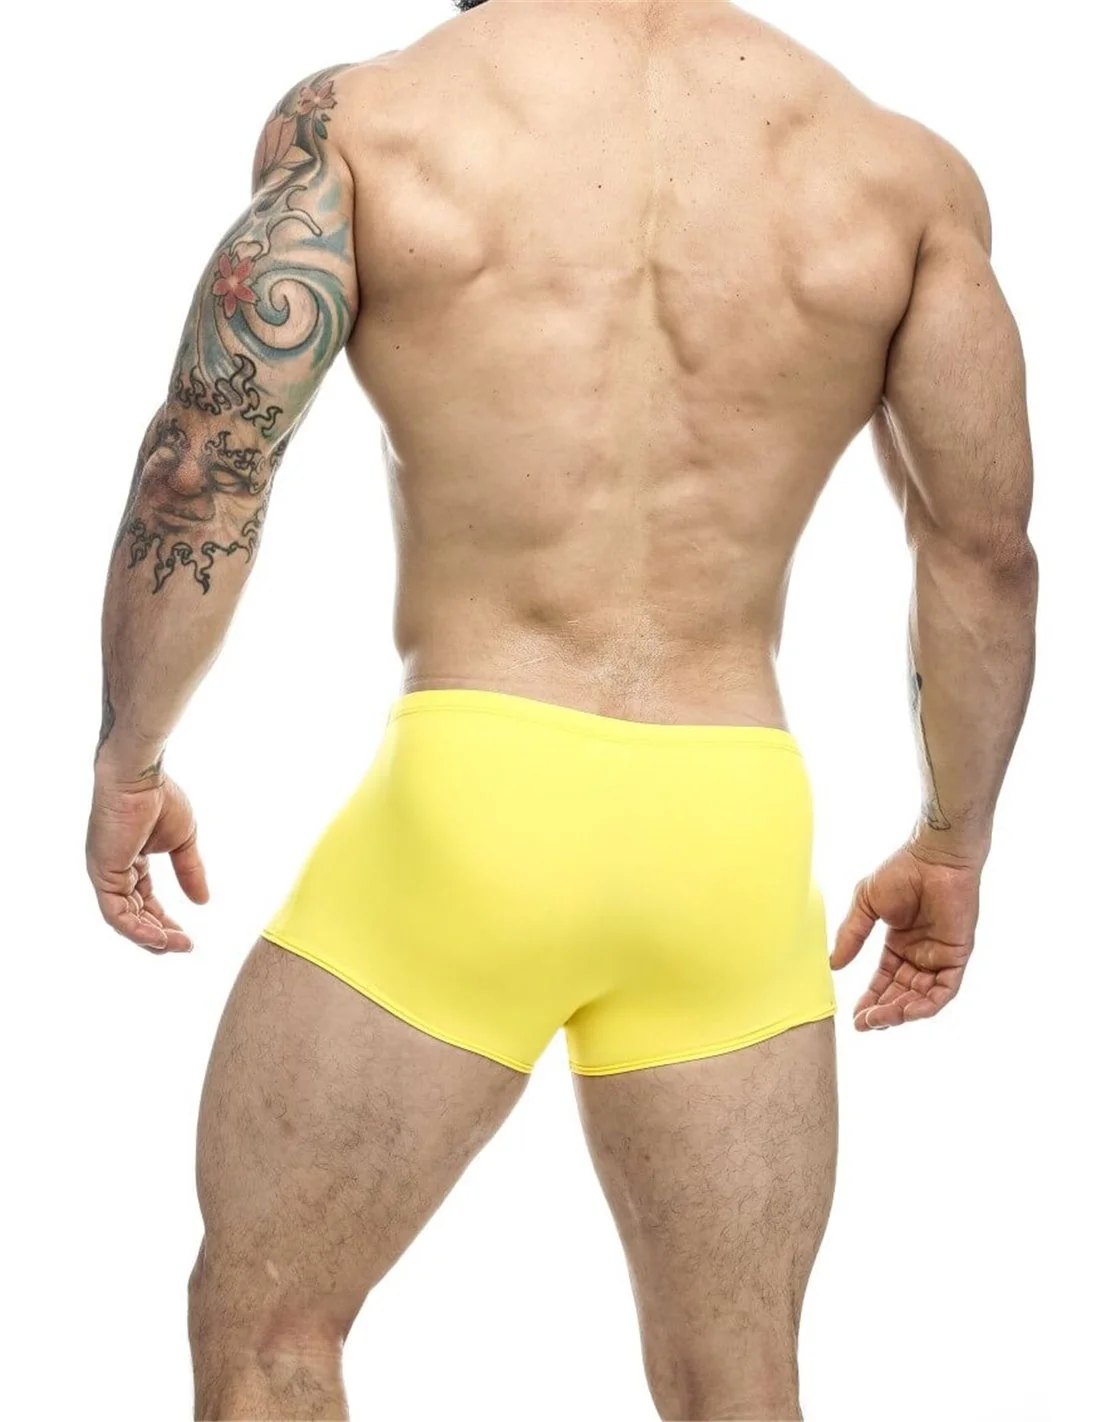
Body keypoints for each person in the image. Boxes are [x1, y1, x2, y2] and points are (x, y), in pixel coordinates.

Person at [85, 1, 1037, 1417]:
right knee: (740, 1388)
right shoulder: (897, 174)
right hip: (730, 828)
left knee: (270, 1329)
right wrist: (953, 843)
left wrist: (131, 756)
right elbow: (983, 552)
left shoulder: (372, 122)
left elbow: (206, 462)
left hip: (477, 802)